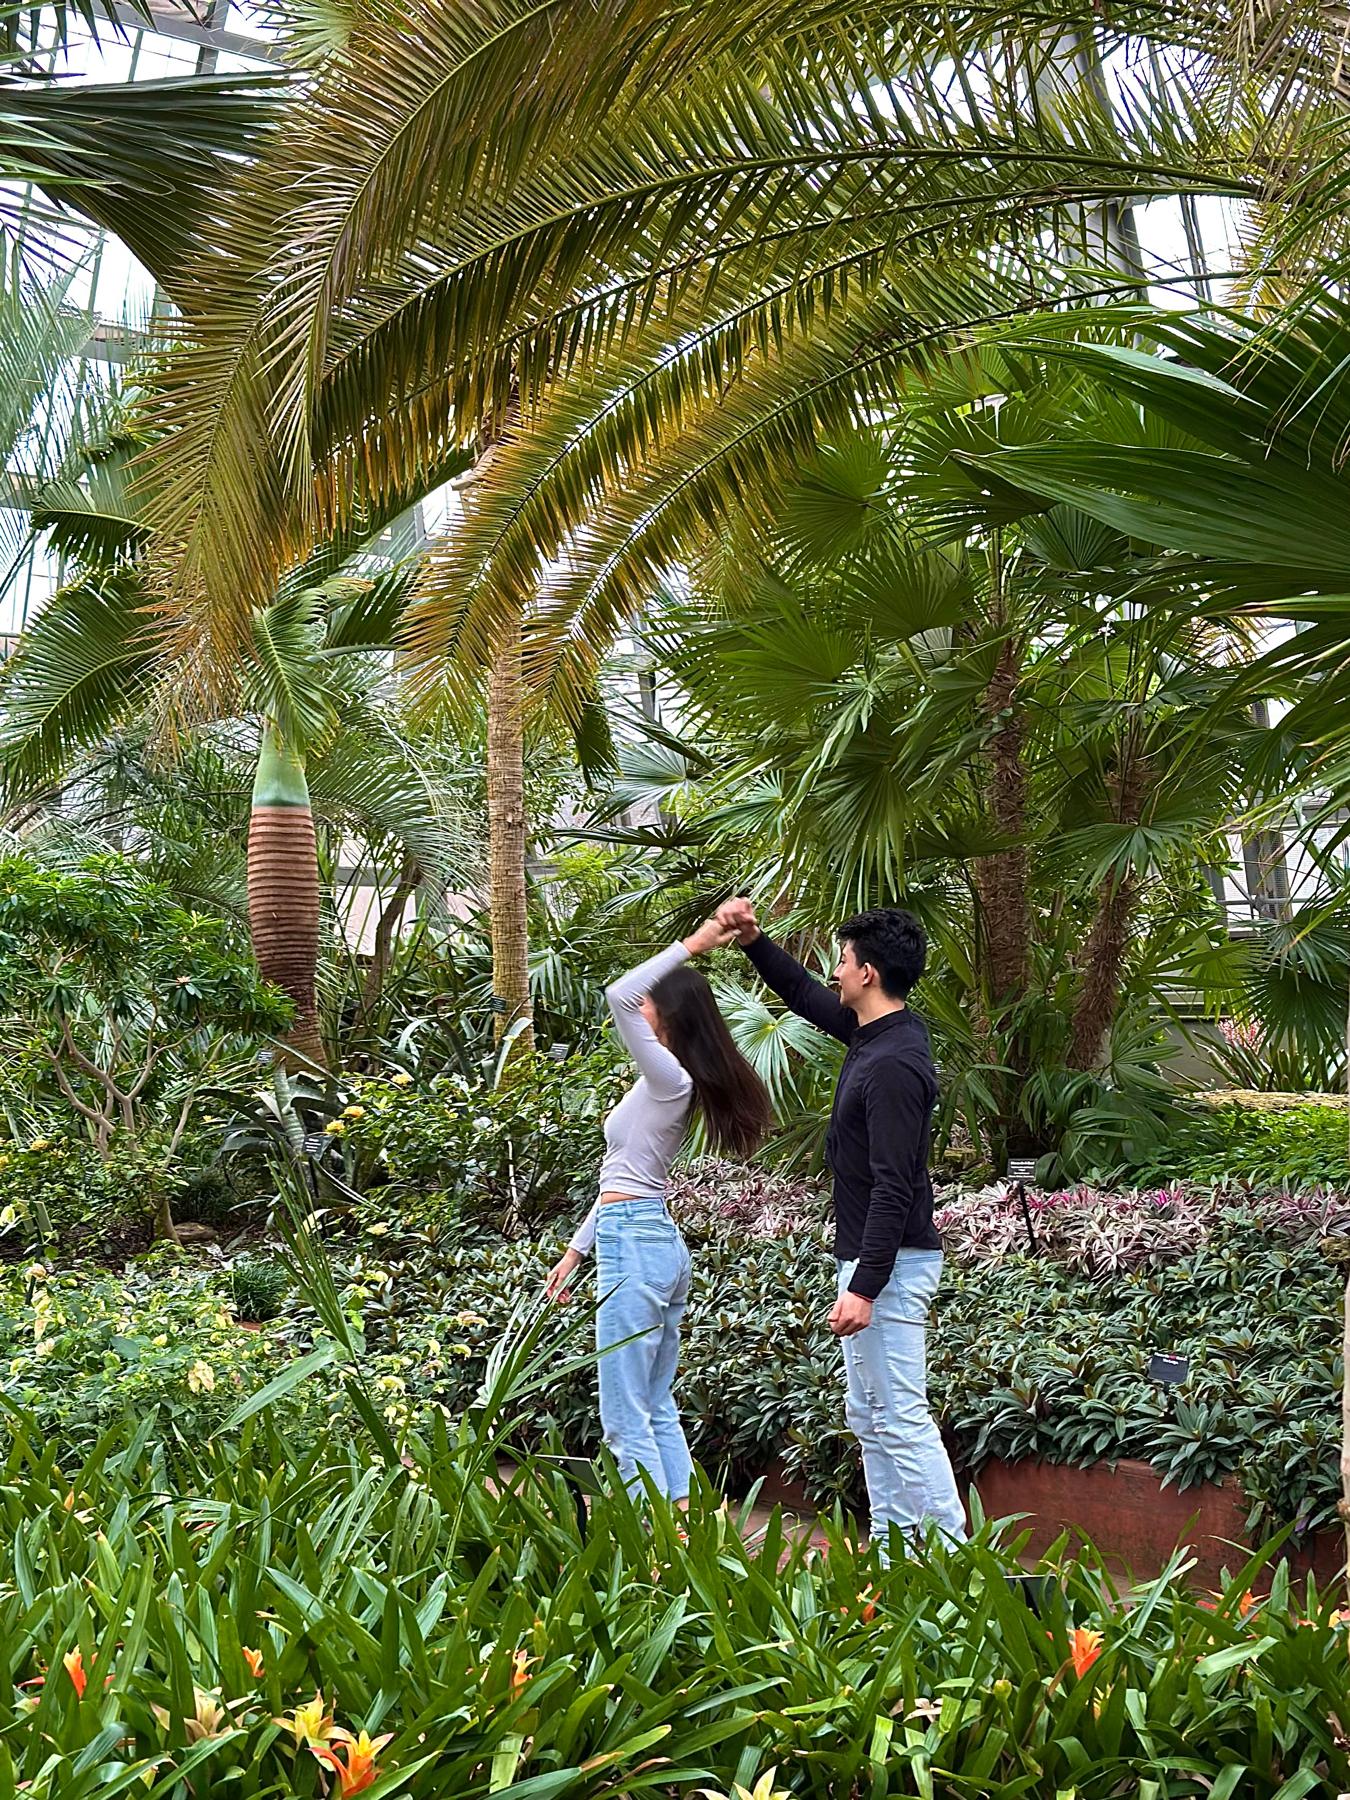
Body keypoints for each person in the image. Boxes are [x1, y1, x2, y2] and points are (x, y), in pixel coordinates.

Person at [716, 898, 966, 1551]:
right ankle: (894, 1551)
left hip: (891, 1264)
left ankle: (954, 1560)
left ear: (870, 974)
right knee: (871, 1413)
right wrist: (753, 941)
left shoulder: (892, 1066)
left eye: (845, 960)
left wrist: (865, 1287)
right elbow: (801, 991)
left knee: (901, 1415)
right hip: (870, 1259)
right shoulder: (874, 1031)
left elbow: (895, 1184)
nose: (835, 970)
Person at [545, 919, 773, 1504]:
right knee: (653, 1401)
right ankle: (689, 1528)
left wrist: (695, 944)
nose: (638, 1007)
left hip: (639, 1245)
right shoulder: (664, 1082)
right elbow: (619, 1178)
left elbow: (616, 993)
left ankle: (652, 1542)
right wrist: (576, 1252)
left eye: (651, 1002)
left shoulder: (670, 1079)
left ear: (667, 1013)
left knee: (624, 1414)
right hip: (647, 1238)